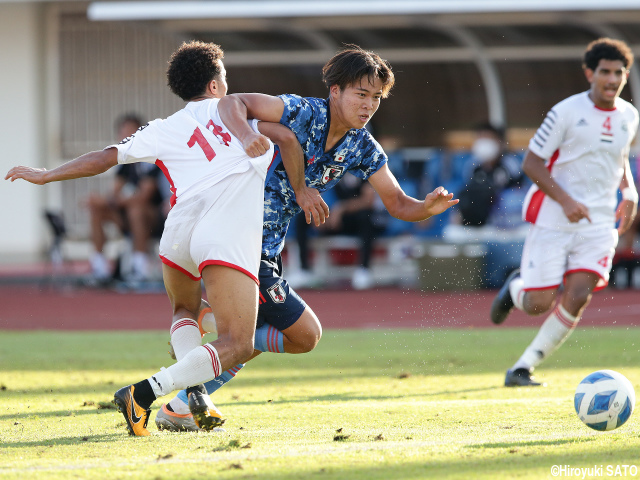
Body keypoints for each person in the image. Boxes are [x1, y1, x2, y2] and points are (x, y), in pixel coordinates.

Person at [5, 40, 323, 436]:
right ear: (213, 85)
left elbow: (106, 156)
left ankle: (193, 397)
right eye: (223, 76)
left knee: (184, 312)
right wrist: (302, 189)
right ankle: (144, 391)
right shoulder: (239, 116)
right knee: (237, 344)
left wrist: (48, 174)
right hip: (222, 232)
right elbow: (290, 140)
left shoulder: (161, 127)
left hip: (176, 235)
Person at [155, 44, 459, 432]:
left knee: (272, 340)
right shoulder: (302, 111)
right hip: (238, 239)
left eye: (377, 98)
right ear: (335, 91)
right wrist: (249, 138)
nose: (369, 105)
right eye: (361, 94)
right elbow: (232, 103)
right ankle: (180, 388)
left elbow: (398, 203)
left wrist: (426, 208)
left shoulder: (363, 146)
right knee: (303, 335)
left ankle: (187, 393)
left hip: (266, 248)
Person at [490, 38, 638, 387]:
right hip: (555, 219)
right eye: (605, 72)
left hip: (601, 223)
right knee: (538, 302)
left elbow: (619, 162)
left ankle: (523, 368)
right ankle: (516, 290)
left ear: (625, 75)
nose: (612, 79)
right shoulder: (565, 112)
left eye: (619, 73)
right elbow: (532, 163)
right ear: (589, 73)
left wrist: (629, 191)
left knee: (578, 294)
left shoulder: (630, 116)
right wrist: (567, 201)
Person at [86, 113, 167, 284]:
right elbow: (114, 192)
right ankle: (99, 266)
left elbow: (144, 196)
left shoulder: (151, 158)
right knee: (97, 209)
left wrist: (112, 201)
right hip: (128, 215)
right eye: (123, 134)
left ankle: (140, 267)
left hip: (156, 218)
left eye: (131, 133)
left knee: (136, 209)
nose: (126, 138)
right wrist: (104, 201)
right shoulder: (126, 161)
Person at [456, 122, 523, 227]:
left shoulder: (511, 163)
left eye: (488, 138)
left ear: (499, 142)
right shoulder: (472, 165)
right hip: (482, 221)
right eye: (480, 139)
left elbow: (515, 191)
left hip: (508, 222)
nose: (484, 143)